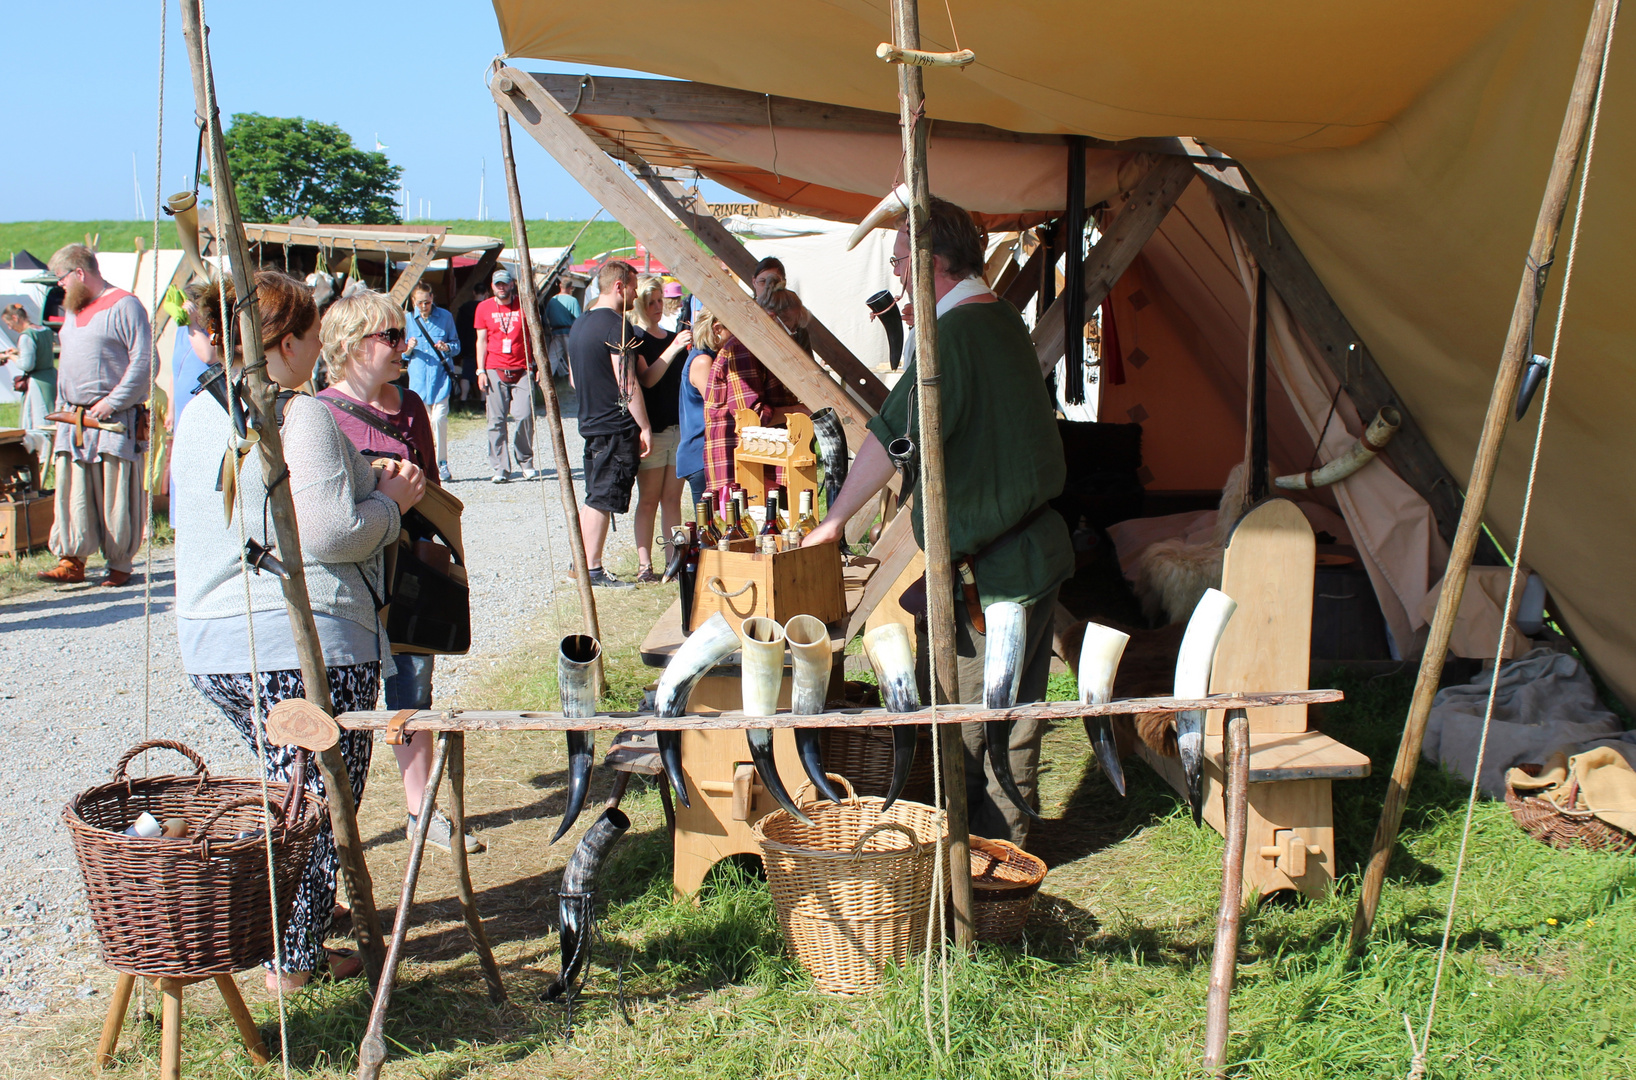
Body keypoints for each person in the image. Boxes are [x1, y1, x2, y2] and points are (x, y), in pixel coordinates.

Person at [172, 270, 423, 992]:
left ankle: (290, 934)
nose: (320, 346)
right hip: (297, 635)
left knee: (291, 791)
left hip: (213, 639)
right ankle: (295, 962)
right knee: (316, 800)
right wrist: (395, 506)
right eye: (314, 334)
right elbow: (332, 532)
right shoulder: (299, 412)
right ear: (285, 342)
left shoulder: (199, 412)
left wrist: (363, 482)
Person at [802, 197, 1074, 847]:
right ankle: (1003, 865)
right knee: (1014, 723)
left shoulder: (952, 335)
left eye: (901, 259)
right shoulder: (1000, 316)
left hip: (996, 579)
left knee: (973, 737)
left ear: (932, 260)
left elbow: (889, 439)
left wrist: (836, 520)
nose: (896, 273)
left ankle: (984, 882)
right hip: (1031, 557)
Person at [318, 290, 481, 855]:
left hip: (409, 575)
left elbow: (432, 486)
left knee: (412, 688)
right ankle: (329, 831)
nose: (404, 344)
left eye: (402, 332)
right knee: (343, 709)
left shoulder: (410, 406)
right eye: (390, 336)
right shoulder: (318, 414)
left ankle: (421, 811)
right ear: (349, 346)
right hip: (349, 584)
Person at [37, 245, 151, 587]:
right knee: (73, 493)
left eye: (62, 279)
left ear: (80, 273)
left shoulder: (125, 304)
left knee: (115, 494)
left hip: (112, 419)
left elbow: (144, 361)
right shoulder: (72, 311)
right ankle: (71, 560)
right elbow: (67, 364)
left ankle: (119, 564)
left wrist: (113, 401)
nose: (61, 287)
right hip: (74, 420)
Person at [566, 259, 648, 588]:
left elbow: (573, 380)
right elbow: (626, 382)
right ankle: (593, 569)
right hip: (614, 425)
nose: (636, 292)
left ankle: (581, 563)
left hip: (591, 422)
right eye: (633, 286)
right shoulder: (617, 326)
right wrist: (643, 426)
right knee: (602, 497)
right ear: (619, 287)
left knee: (593, 495)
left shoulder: (579, 324)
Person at [702, 287, 806, 493]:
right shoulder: (743, 347)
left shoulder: (753, 347)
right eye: (791, 328)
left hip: (757, 466)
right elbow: (752, 416)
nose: (792, 336)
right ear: (773, 318)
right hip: (743, 472)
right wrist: (802, 411)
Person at [627, 276, 693, 582]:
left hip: (677, 429)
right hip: (653, 431)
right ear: (639, 303)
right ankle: (645, 566)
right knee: (649, 499)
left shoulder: (671, 335)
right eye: (650, 301)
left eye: (659, 301)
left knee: (672, 500)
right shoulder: (637, 338)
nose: (657, 307)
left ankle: (673, 562)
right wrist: (673, 348)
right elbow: (648, 379)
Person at [474, 269, 538, 483]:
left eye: (505, 283)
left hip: (522, 368)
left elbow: (536, 336)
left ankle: (526, 461)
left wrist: (537, 366)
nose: (501, 287)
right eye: (497, 284)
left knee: (525, 415)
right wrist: (480, 370)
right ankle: (500, 467)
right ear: (492, 286)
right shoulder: (483, 308)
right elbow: (481, 340)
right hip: (494, 368)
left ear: (511, 285)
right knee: (496, 420)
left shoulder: (525, 305)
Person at [404, 282, 462, 482]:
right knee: (423, 426)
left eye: (427, 302)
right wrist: (408, 349)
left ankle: (442, 463)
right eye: (419, 302)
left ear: (432, 299)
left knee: (439, 421)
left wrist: (447, 347)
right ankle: (424, 465)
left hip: (440, 380)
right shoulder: (406, 320)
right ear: (413, 301)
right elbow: (400, 354)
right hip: (418, 383)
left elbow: (457, 345)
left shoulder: (445, 317)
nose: (423, 306)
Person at [1, 304, 56, 469]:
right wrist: (18, 351)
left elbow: (27, 365)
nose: (9, 327)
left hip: (38, 383)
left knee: (39, 420)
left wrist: (11, 356)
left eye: (9, 323)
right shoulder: (44, 330)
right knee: (50, 416)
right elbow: (41, 352)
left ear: (16, 318)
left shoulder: (26, 336)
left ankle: (43, 456)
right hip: (50, 378)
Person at [676, 308, 722, 504]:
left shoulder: (704, 356)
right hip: (699, 454)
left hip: (701, 453)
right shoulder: (703, 360)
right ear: (717, 329)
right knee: (708, 526)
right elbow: (718, 406)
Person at [454, 283, 487, 403]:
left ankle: (463, 398)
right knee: (483, 371)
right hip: (483, 344)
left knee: (466, 374)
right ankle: (483, 401)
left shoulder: (464, 308)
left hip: (467, 344)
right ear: (486, 293)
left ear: (474, 292)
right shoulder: (486, 308)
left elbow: (458, 328)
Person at [544, 275, 580, 379]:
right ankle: (574, 381)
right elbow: (578, 319)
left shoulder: (553, 300)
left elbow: (545, 318)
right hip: (568, 332)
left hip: (556, 333)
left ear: (560, 286)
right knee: (572, 359)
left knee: (552, 359)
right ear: (570, 288)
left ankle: (545, 380)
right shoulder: (572, 300)